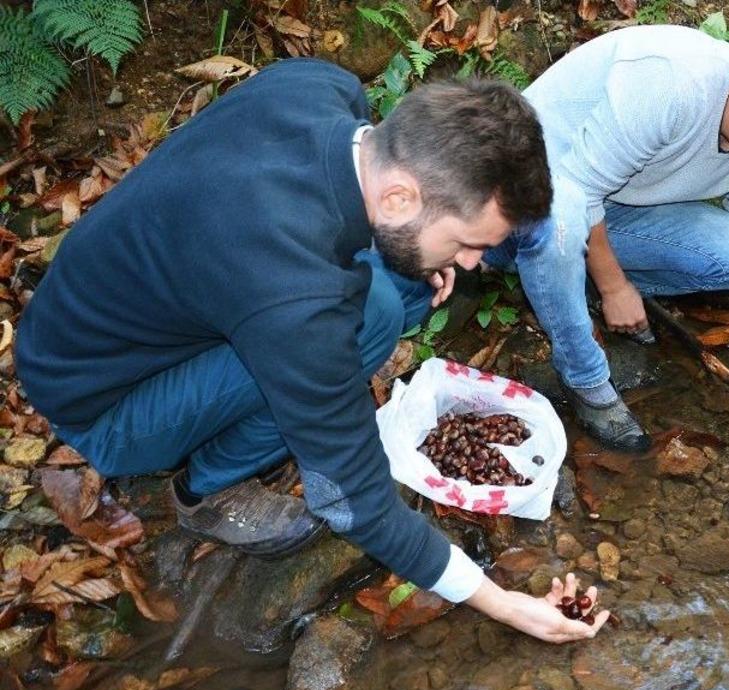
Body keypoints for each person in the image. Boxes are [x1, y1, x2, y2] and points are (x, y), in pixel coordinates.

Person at [15, 58, 609, 642]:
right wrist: (505, 604)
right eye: (468, 242)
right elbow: (353, 497)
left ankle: (401, 266)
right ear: (401, 198)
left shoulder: (319, 87)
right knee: (363, 323)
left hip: (102, 314)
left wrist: (419, 251)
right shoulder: (296, 302)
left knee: (394, 288)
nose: (474, 262)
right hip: (101, 405)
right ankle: (204, 492)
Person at [485, 25, 729, 451]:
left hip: (608, 207)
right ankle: (586, 381)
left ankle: (574, 285)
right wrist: (616, 287)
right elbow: (578, 188)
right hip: (520, 203)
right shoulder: (671, 85)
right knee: (563, 216)